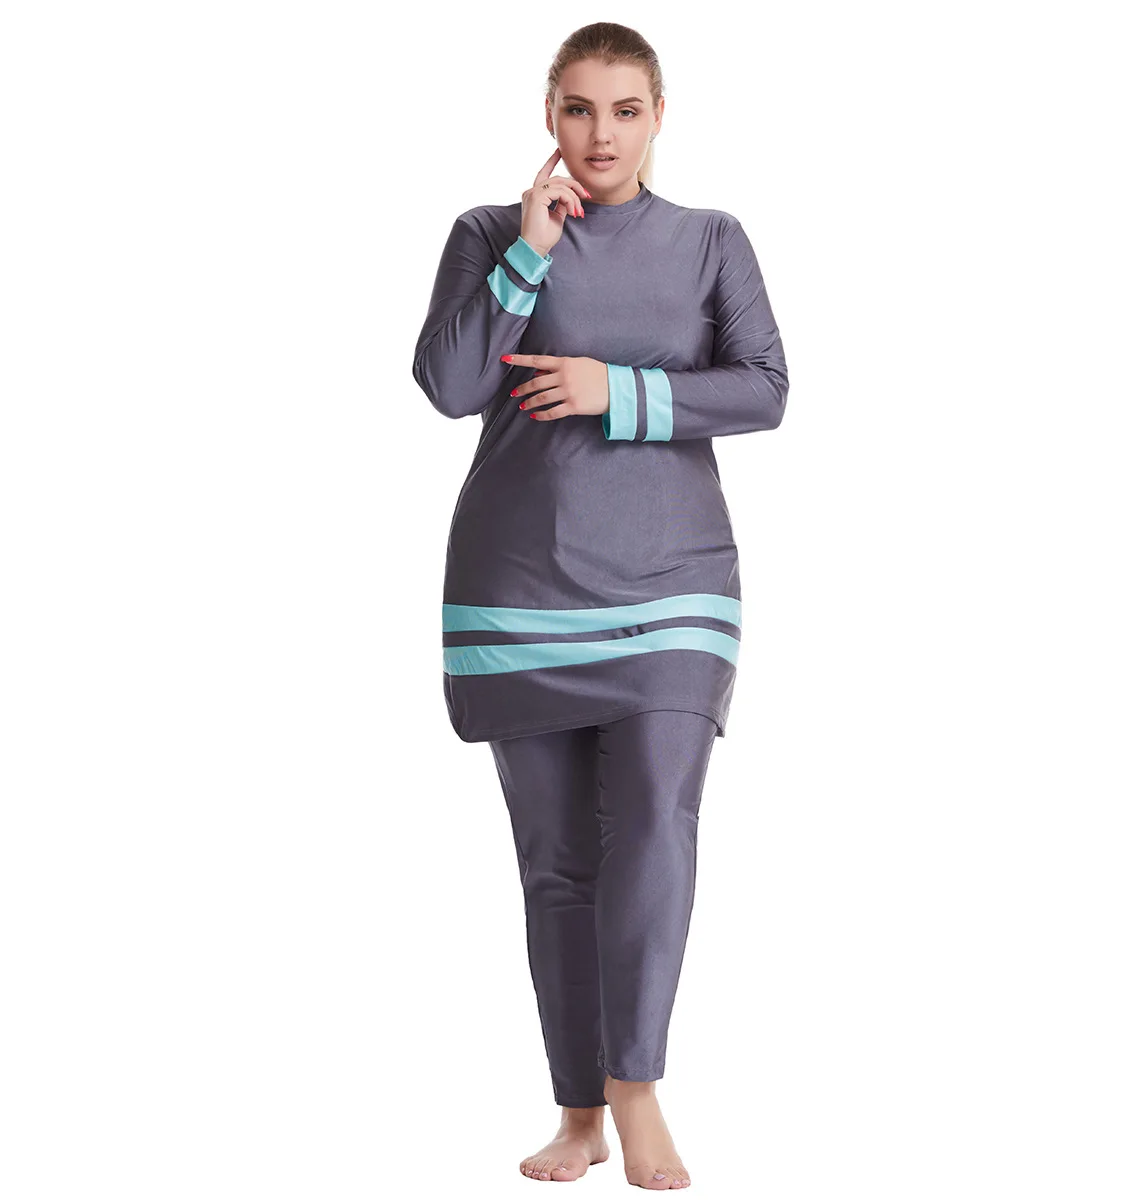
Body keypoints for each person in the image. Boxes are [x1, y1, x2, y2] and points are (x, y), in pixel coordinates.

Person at [411, 22, 789, 1189]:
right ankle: (578, 1112)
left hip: (675, 584)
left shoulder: (711, 240)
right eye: (579, 109)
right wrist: (528, 256)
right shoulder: (488, 233)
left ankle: (637, 1086)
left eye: (625, 110)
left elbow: (765, 388)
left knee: (659, 825)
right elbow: (450, 385)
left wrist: (613, 389)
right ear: (549, 114)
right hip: (518, 589)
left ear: (659, 115)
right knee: (558, 864)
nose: (601, 134)